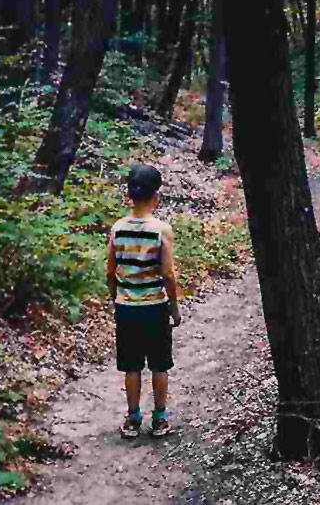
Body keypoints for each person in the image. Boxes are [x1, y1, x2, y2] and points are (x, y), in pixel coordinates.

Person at [106, 164, 182, 438]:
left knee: (131, 364)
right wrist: (174, 307)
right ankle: (160, 418)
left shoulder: (118, 229)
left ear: (129, 194)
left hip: (127, 308)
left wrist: (116, 297)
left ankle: (133, 418)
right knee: (160, 364)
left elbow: (110, 270)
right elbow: (168, 274)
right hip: (155, 307)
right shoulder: (161, 230)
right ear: (156, 197)